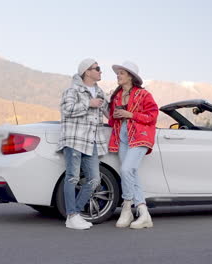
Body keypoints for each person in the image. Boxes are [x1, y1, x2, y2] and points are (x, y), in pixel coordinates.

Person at [56, 58, 108, 230]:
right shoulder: (72, 90)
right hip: (75, 140)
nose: (100, 71)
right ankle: (71, 216)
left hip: (93, 141)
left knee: (94, 179)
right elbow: (66, 110)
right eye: (97, 68)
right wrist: (88, 103)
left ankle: (74, 214)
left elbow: (110, 114)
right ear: (87, 71)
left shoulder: (100, 93)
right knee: (72, 177)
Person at [108, 61, 159, 229]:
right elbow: (111, 119)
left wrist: (130, 114)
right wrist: (114, 114)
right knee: (131, 173)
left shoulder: (143, 94)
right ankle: (144, 213)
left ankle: (127, 208)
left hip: (139, 135)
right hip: (122, 135)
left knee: (126, 170)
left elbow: (152, 115)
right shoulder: (116, 95)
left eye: (121, 73)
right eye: (118, 73)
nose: (118, 76)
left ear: (130, 76)